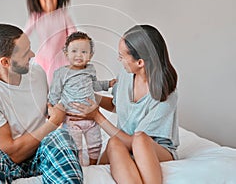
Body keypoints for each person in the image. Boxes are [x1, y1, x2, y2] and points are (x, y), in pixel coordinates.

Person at [0, 24, 83, 184]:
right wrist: (53, 122)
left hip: (41, 153)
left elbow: (48, 108)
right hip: (5, 162)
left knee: (60, 137)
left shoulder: (37, 73)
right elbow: (11, 153)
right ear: (5, 62)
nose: (32, 55)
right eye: (26, 53)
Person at [69, 25, 179, 184]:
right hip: (123, 141)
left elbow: (134, 141)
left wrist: (97, 117)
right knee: (114, 142)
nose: (119, 59)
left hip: (154, 148)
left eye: (122, 56)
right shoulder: (126, 77)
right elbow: (117, 105)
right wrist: (92, 97)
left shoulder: (165, 93)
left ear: (140, 62)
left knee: (139, 139)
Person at [48, 31, 116, 166]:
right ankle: (77, 166)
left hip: (91, 116)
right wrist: (53, 112)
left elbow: (94, 85)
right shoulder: (61, 73)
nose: (79, 55)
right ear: (66, 53)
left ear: (90, 56)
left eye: (84, 52)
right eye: (74, 51)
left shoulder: (90, 69)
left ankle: (93, 165)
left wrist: (108, 84)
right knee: (75, 146)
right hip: (72, 118)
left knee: (95, 143)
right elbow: (55, 93)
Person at [24, 0, 76, 85]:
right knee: (42, 83)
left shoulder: (63, 15)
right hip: (43, 58)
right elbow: (25, 34)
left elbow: (73, 33)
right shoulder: (36, 16)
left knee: (62, 82)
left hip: (61, 57)